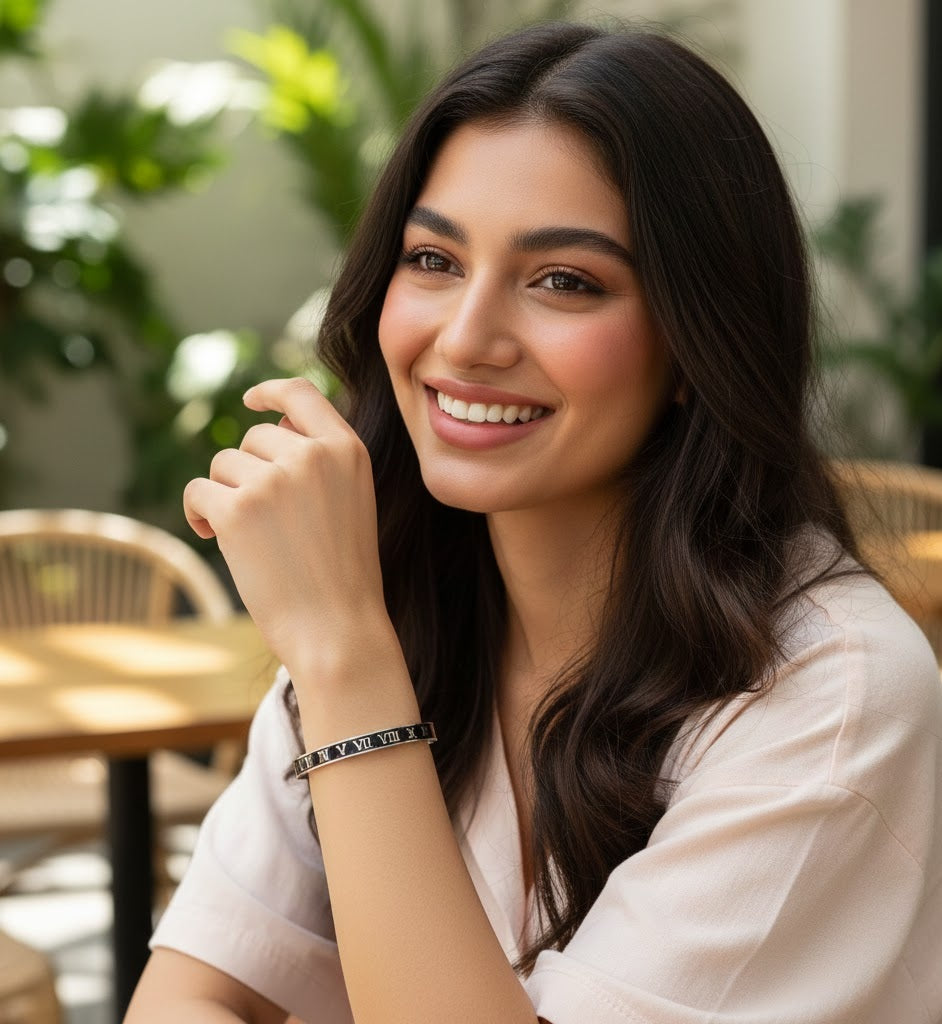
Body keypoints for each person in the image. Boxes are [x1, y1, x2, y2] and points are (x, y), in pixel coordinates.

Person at [125, 20, 942, 1024]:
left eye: (565, 281)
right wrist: (347, 650)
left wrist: (346, 660)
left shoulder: (833, 696)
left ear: (696, 344)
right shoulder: (395, 599)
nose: (466, 339)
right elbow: (198, 989)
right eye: (433, 259)